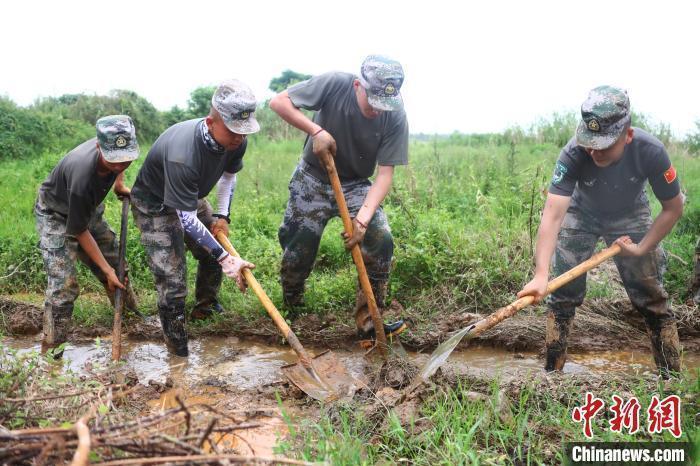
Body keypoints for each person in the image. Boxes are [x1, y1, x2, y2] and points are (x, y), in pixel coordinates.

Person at [517, 86, 684, 378]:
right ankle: (552, 376)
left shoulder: (651, 151)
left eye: (604, 144)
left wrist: (644, 246)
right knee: (563, 294)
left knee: (652, 297)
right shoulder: (573, 152)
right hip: (583, 212)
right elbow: (554, 214)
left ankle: (673, 380)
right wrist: (541, 273)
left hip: (631, 214)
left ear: (627, 135)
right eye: (589, 142)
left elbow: (673, 206)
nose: (594, 151)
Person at [269, 55, 408, 343]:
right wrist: (316, 131)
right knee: (299, 248)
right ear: (358, 85)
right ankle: (292, 307)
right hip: (312, 178)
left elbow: (384, 174)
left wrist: (363, 219)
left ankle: (370, 320)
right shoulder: (334, 84)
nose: (377, 110)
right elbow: (279, 102)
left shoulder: (395, 113)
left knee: (380, 238)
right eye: (373, 101)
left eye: (384, 104)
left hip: (356, 184)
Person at [130, 80, 258, 357]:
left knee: (210, 253)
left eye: (244, 131)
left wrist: (223, 216)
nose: (239, 137)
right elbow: (185, 219)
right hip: (155, 203)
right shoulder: (183, 154)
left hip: (190, 197)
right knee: (173, 280)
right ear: (211, 122)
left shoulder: (237, 142)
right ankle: (178, 353)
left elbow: (228, 177)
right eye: (234, 130)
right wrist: (227, 259)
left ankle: (205, 307)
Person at [35, 115, 140, 357]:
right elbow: (79, 230)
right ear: (98, 146)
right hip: (56, 213)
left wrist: (118, 184)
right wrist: (105, 271)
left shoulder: (118, 148)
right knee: (64, 285)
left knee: (118, 265)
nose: (120, 165)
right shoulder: (82, 175)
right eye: (113, 160)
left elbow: (119, 161)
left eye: (125, 160)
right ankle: (52, 352)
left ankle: (133, 318)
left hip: (87, 209)